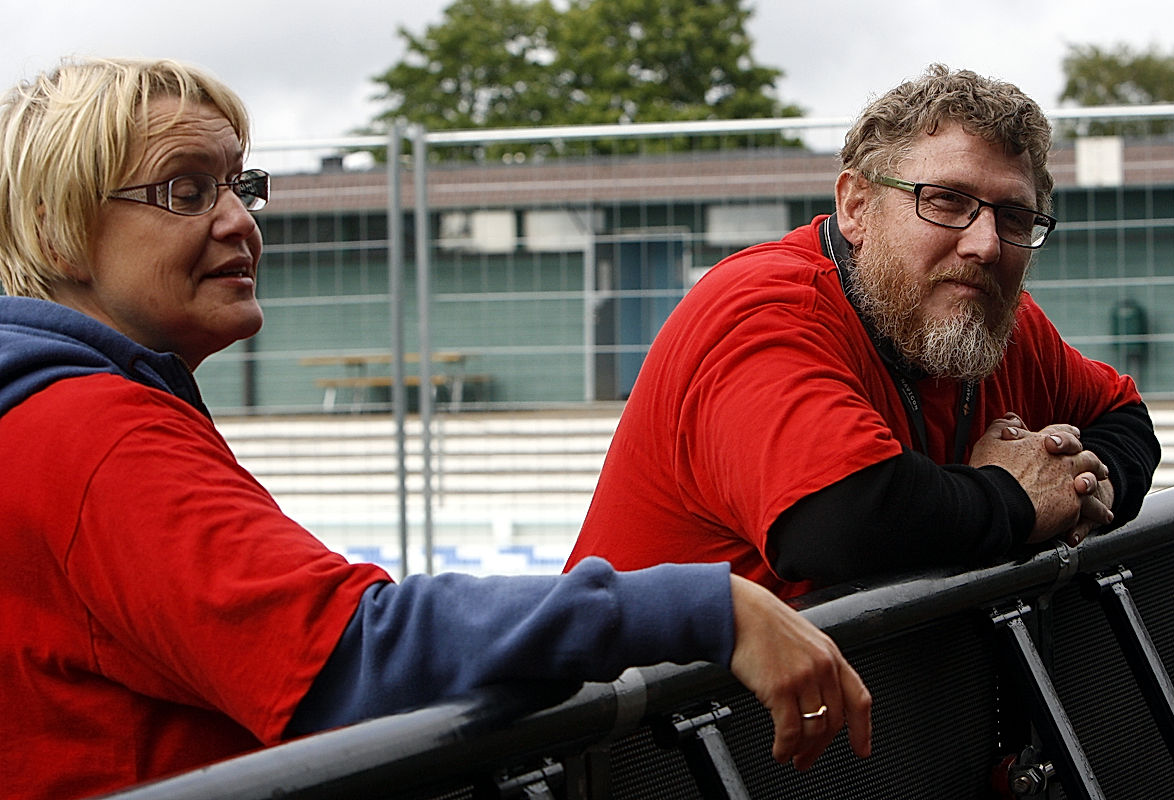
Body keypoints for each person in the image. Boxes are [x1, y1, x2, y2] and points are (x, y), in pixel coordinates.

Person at [0, 58, 870, 800]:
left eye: (239, 185)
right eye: (186, 191)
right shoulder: (90, 431)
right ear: (55, 229)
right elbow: (348, 656)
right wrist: (701, 604)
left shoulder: (50, 415)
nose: (238, 221)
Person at [566, 64, 1161, 599]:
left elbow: (1124, 416)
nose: (984, 244)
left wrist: (1087, 484)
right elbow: (835, 522)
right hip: (654, 686)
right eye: (945, 201)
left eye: (1014, 216)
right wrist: (1016, 496)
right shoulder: (765, 306)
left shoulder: (990, 316)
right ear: (856, 207)